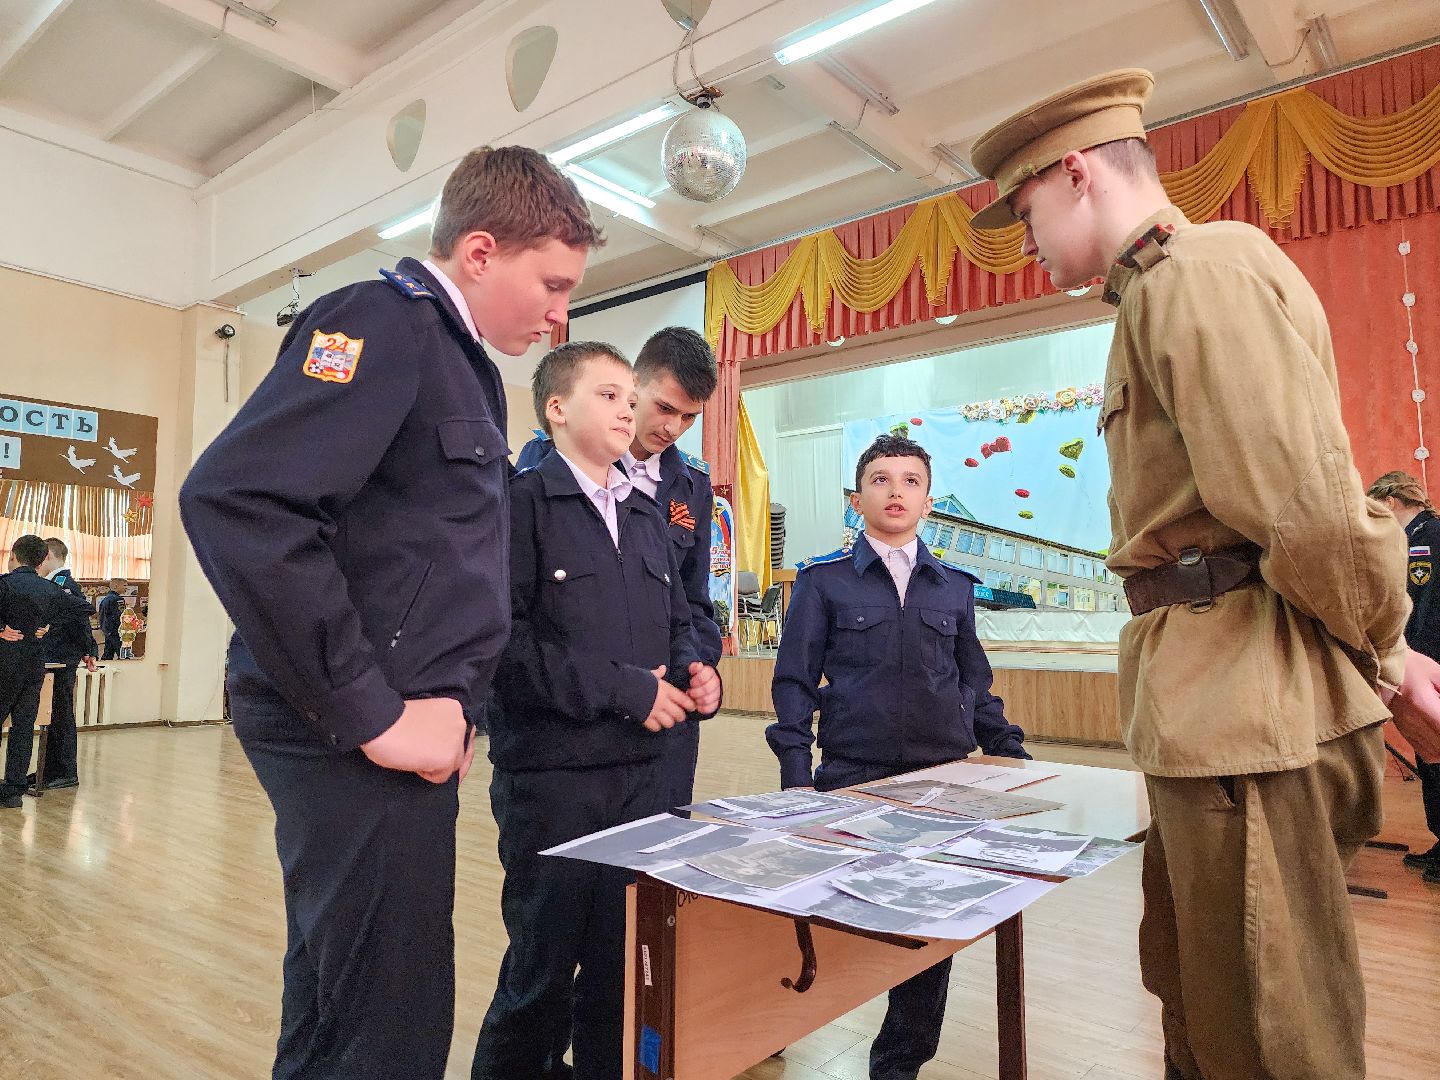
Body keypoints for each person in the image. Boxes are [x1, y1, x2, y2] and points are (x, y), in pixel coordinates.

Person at [970, 68, 1440, 1080]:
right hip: (1219, 711)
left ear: (1079, 173)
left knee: (1275, 1034)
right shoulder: (1156, 293)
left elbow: (1303, 507)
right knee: (1209, 1008)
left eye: (1026, 211)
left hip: (1248, 717)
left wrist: (1393, 657)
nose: (1027, 241)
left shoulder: (1197, 277)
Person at [180, 146, 603, 1080]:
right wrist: (371, 712)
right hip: (361, 731)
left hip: (405, 726)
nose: (561, 312)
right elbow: (240, 501)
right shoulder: (380, 323)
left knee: (342, 1005)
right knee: (394, 1026)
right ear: (482, 252)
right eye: (554, 282)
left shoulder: (462, 367)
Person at [472, 341, 722, 1080]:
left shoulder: (650, 512)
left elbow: (681, 613)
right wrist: (625, 689)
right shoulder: (517, 507)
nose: (633, 412)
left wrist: (693, 672)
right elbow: (501, 647)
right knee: (541, 973)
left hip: (642, 779)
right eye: (612, 396)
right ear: (557, 408)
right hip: (554, 781)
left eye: (627, 397)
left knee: (622, 970)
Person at [769, 433, 1028, 1080]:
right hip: (851, 780)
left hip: (942, 784)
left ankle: (898, 1064)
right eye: (881, 480)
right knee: (826, 912)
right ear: (858, 499)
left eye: (910, 481)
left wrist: (1013, 757)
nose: (895, 491)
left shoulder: (955, 588)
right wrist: (797, 780)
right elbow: (794, 683)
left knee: (924, 932)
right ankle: (770, 1014)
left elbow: (975, 685)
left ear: (929, 502)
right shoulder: (823, 581)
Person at [516, 326, 723, 808]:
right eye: (664, 408)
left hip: (663, 729)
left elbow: (691, 602)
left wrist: (698, 669)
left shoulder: (688, 487)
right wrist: (621, 687)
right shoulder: (537, 480)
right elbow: (514, 629)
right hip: (570, 742)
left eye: (689, 418)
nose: (672, 428)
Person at [1368, 470, 1440, 883]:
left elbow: (1420, 608)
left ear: (1391, 501)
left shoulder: (1421, 540)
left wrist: (1405, 658)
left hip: (1426, 663)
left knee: (1433, 756)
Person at [0, 535, 95, 809]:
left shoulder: (5, 583)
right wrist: (49, 623)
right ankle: (14, 790)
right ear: (42, 560)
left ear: (14, 556)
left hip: (6, 662)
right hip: (35, 665)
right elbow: (84, 608)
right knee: (23, 727)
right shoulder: (51, 589)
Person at [30, 537, 98, 791]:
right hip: (53, 656)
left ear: (47, 555)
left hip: (62, 657)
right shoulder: (53, 583)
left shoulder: (64, 585)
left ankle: (65, 771)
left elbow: (81, 618)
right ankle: (48, 770)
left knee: (60, 714)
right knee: (51, 713)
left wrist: (88, 649)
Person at [97, 577, 125, 659]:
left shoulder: (105, 599)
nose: (126, 588)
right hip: (116, 631)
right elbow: (120, 616)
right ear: (116, 586)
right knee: (123, 654)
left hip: (107, 630)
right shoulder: (118, 599)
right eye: (124, 585)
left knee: (108, 653)